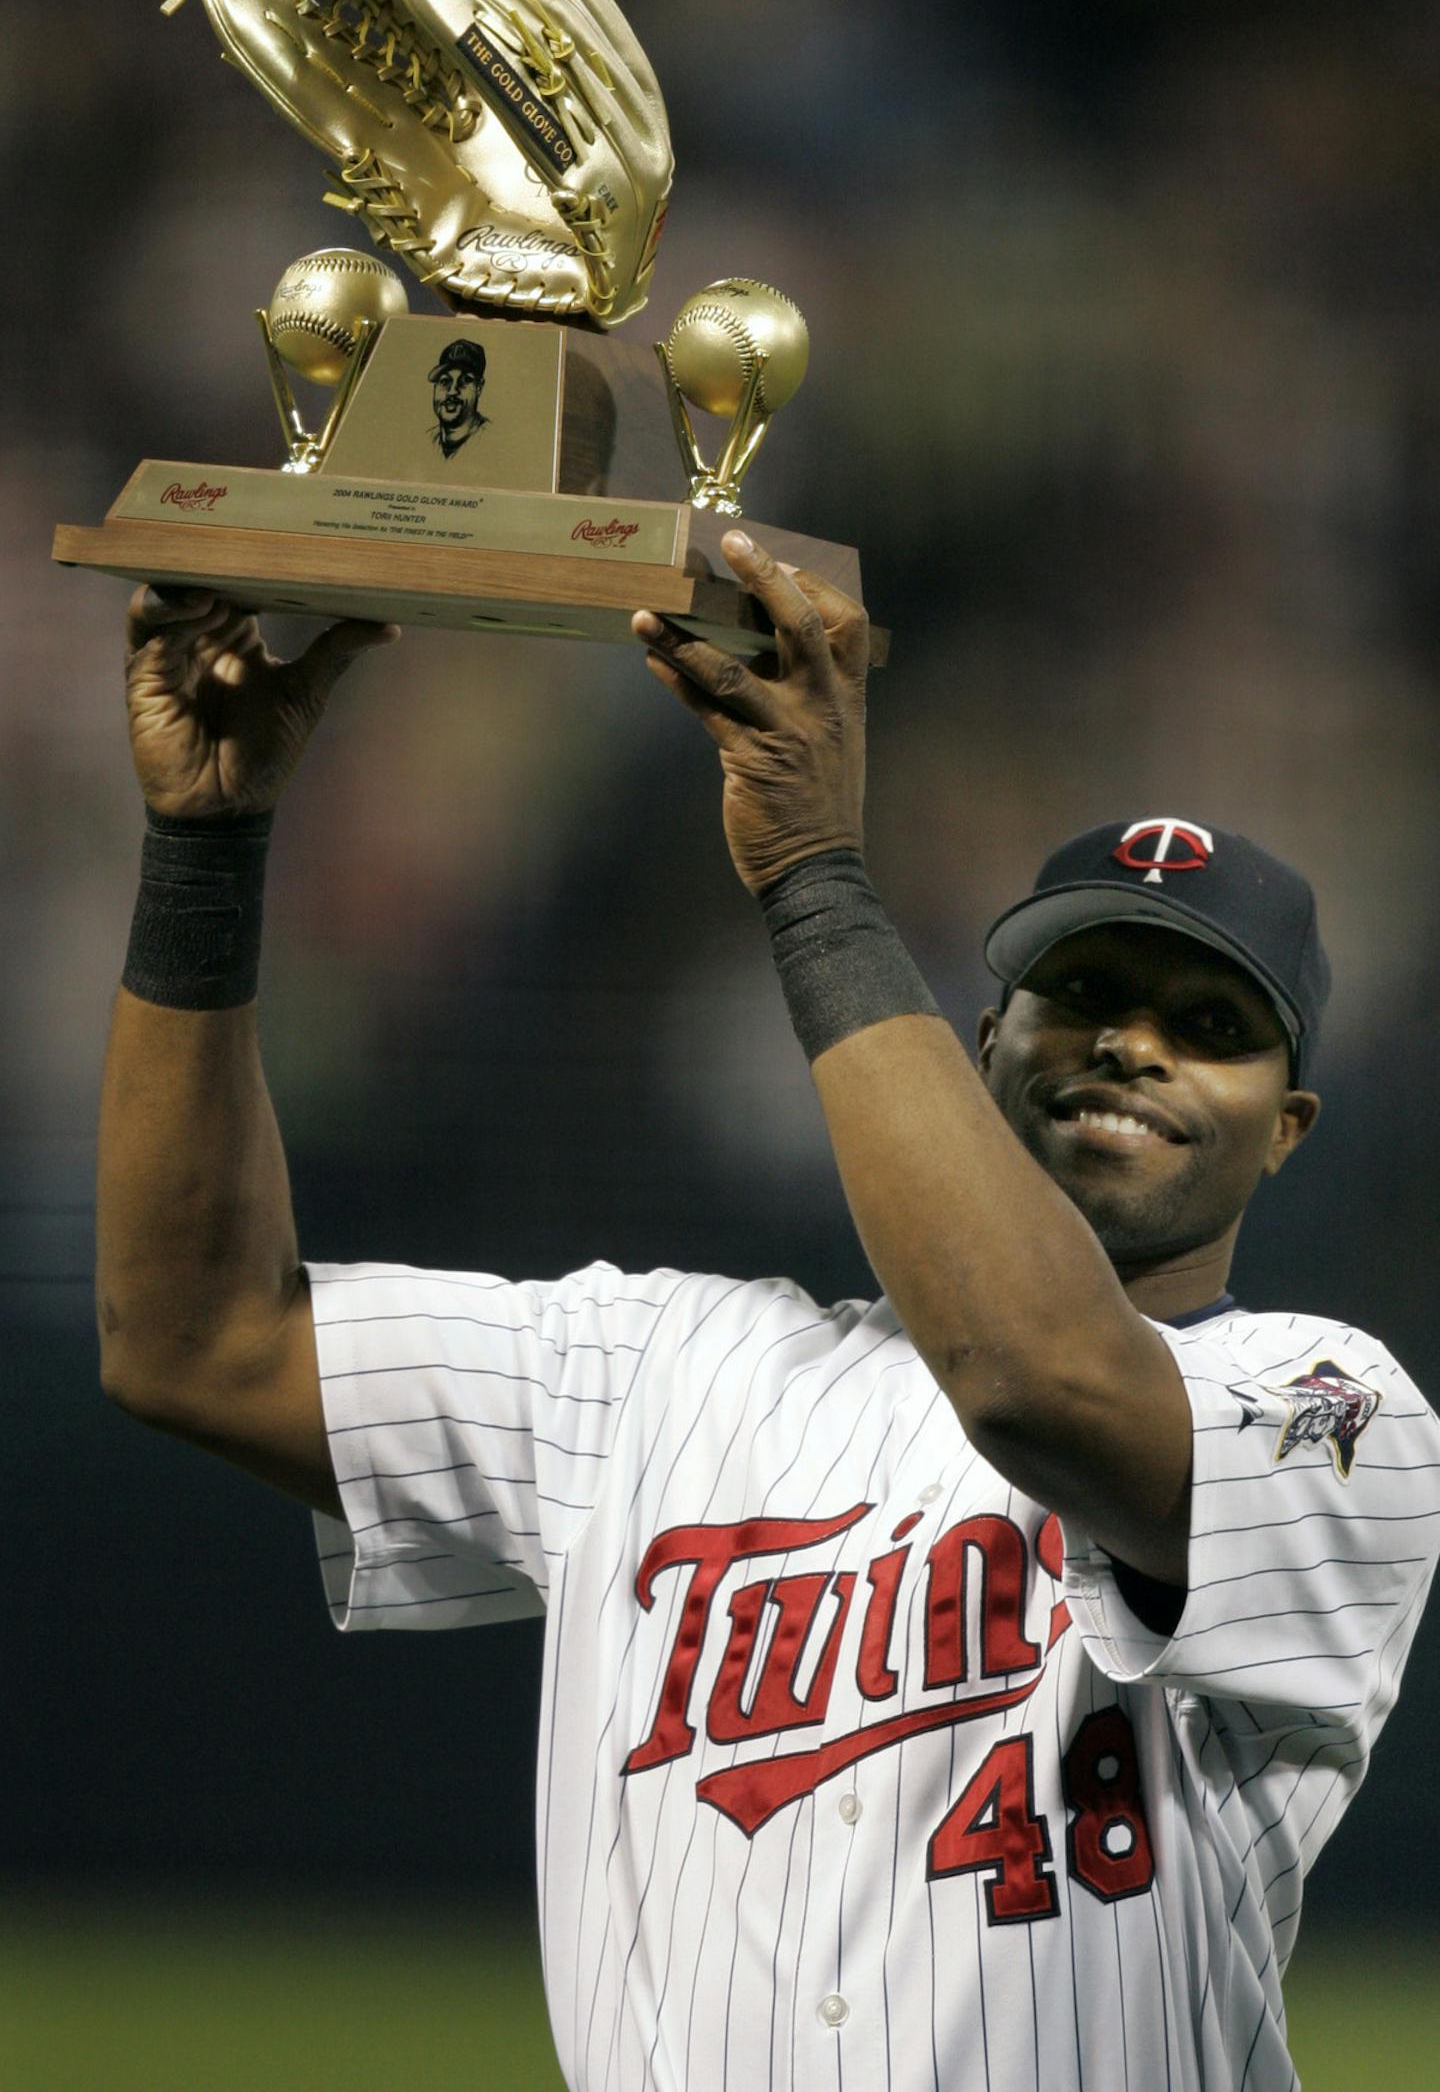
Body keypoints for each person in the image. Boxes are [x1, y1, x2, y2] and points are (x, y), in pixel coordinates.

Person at [98, 539, 1440, 2092]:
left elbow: (1032, 1376)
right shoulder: (659, 1367)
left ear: (1289, 1126)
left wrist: (817, 880)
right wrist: (204, 856)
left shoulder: (1338, 1416)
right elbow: (196, 1338)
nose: (1132, 1047)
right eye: (1088, 995)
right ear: (984, 1039)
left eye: (1208, 1028)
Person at [429, 336, 488, 458]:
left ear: (479, 387)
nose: (452, 391)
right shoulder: (426, 441)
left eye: (465, 381)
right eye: (445, 382)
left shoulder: (492, 441)